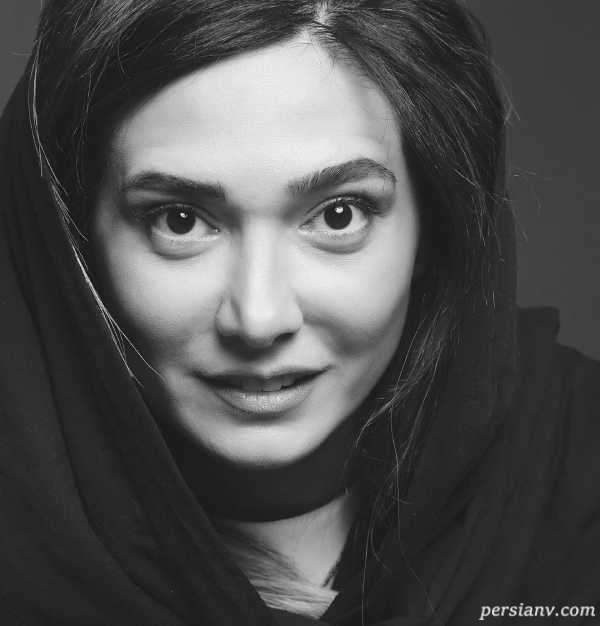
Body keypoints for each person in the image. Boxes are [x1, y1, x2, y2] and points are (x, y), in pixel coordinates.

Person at [0, 1, 598, 624]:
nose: (258, 320)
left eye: (339, 215)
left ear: (435, 229)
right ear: (72, 242)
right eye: (179, 221)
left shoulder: (580, 473)